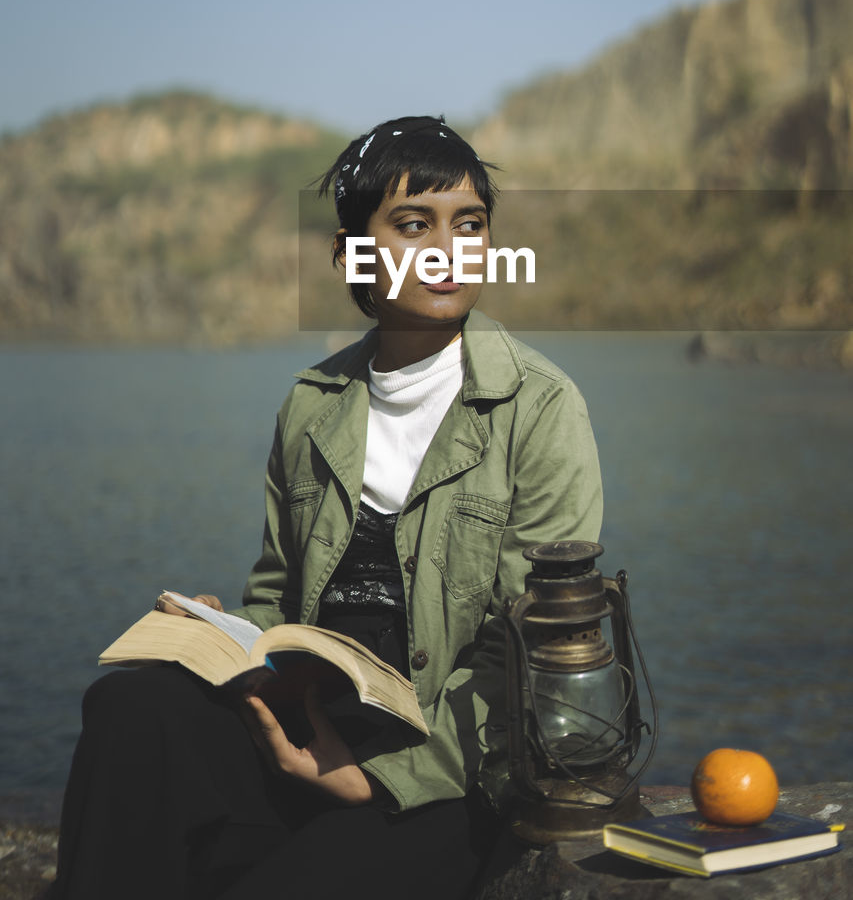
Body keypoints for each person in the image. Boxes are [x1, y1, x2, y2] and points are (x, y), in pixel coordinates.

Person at [49, 115, 602, 900]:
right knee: (131, 706)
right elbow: (277, 592)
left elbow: (529, 659)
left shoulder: (538, 408)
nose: (448, 249)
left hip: (449, 770)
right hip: (308, 725)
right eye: (413, 225)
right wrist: (227, 642)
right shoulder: (313, 404)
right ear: (354, 254)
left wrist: (379, 777)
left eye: (469, 225)